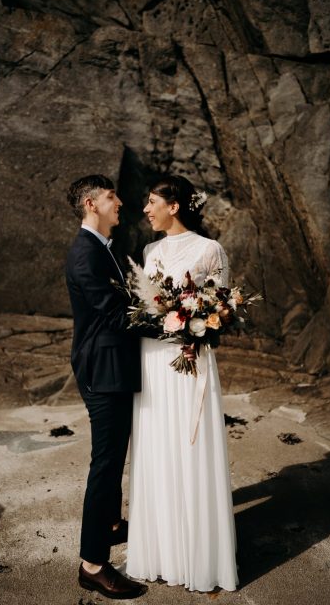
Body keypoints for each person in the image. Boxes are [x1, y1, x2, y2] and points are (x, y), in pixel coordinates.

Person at [126, 174, 239, 592]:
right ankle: (160, 552)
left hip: (188, 361)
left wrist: (197, 326)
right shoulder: (149, 250)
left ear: (174, 206)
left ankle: (198, 557)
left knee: (190, 451)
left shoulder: (210, 249)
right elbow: (141, 307)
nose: (145, 209)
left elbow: (222, 312)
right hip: (152, 361)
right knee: (157, 448)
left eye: (152, 201)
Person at [65, 174, 147, 600]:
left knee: (114, 455)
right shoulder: (85, 255)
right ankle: (92, 564)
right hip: (103, 370)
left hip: (113, 364)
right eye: (111, 197)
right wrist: (170, 323)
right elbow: (114, 316)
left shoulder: (105, 248)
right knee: (106, 464)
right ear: (91, 204)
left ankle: (112, 525)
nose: (119, 203)